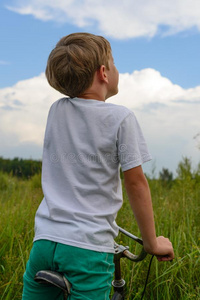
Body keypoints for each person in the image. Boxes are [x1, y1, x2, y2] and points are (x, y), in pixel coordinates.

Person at [22, 32, 174, 300]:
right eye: (113, 63)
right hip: (88, 249)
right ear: (103, 72)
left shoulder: (56, 110)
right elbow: (136, 182)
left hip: (44, 243)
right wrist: (151, 243)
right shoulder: (121, 117)